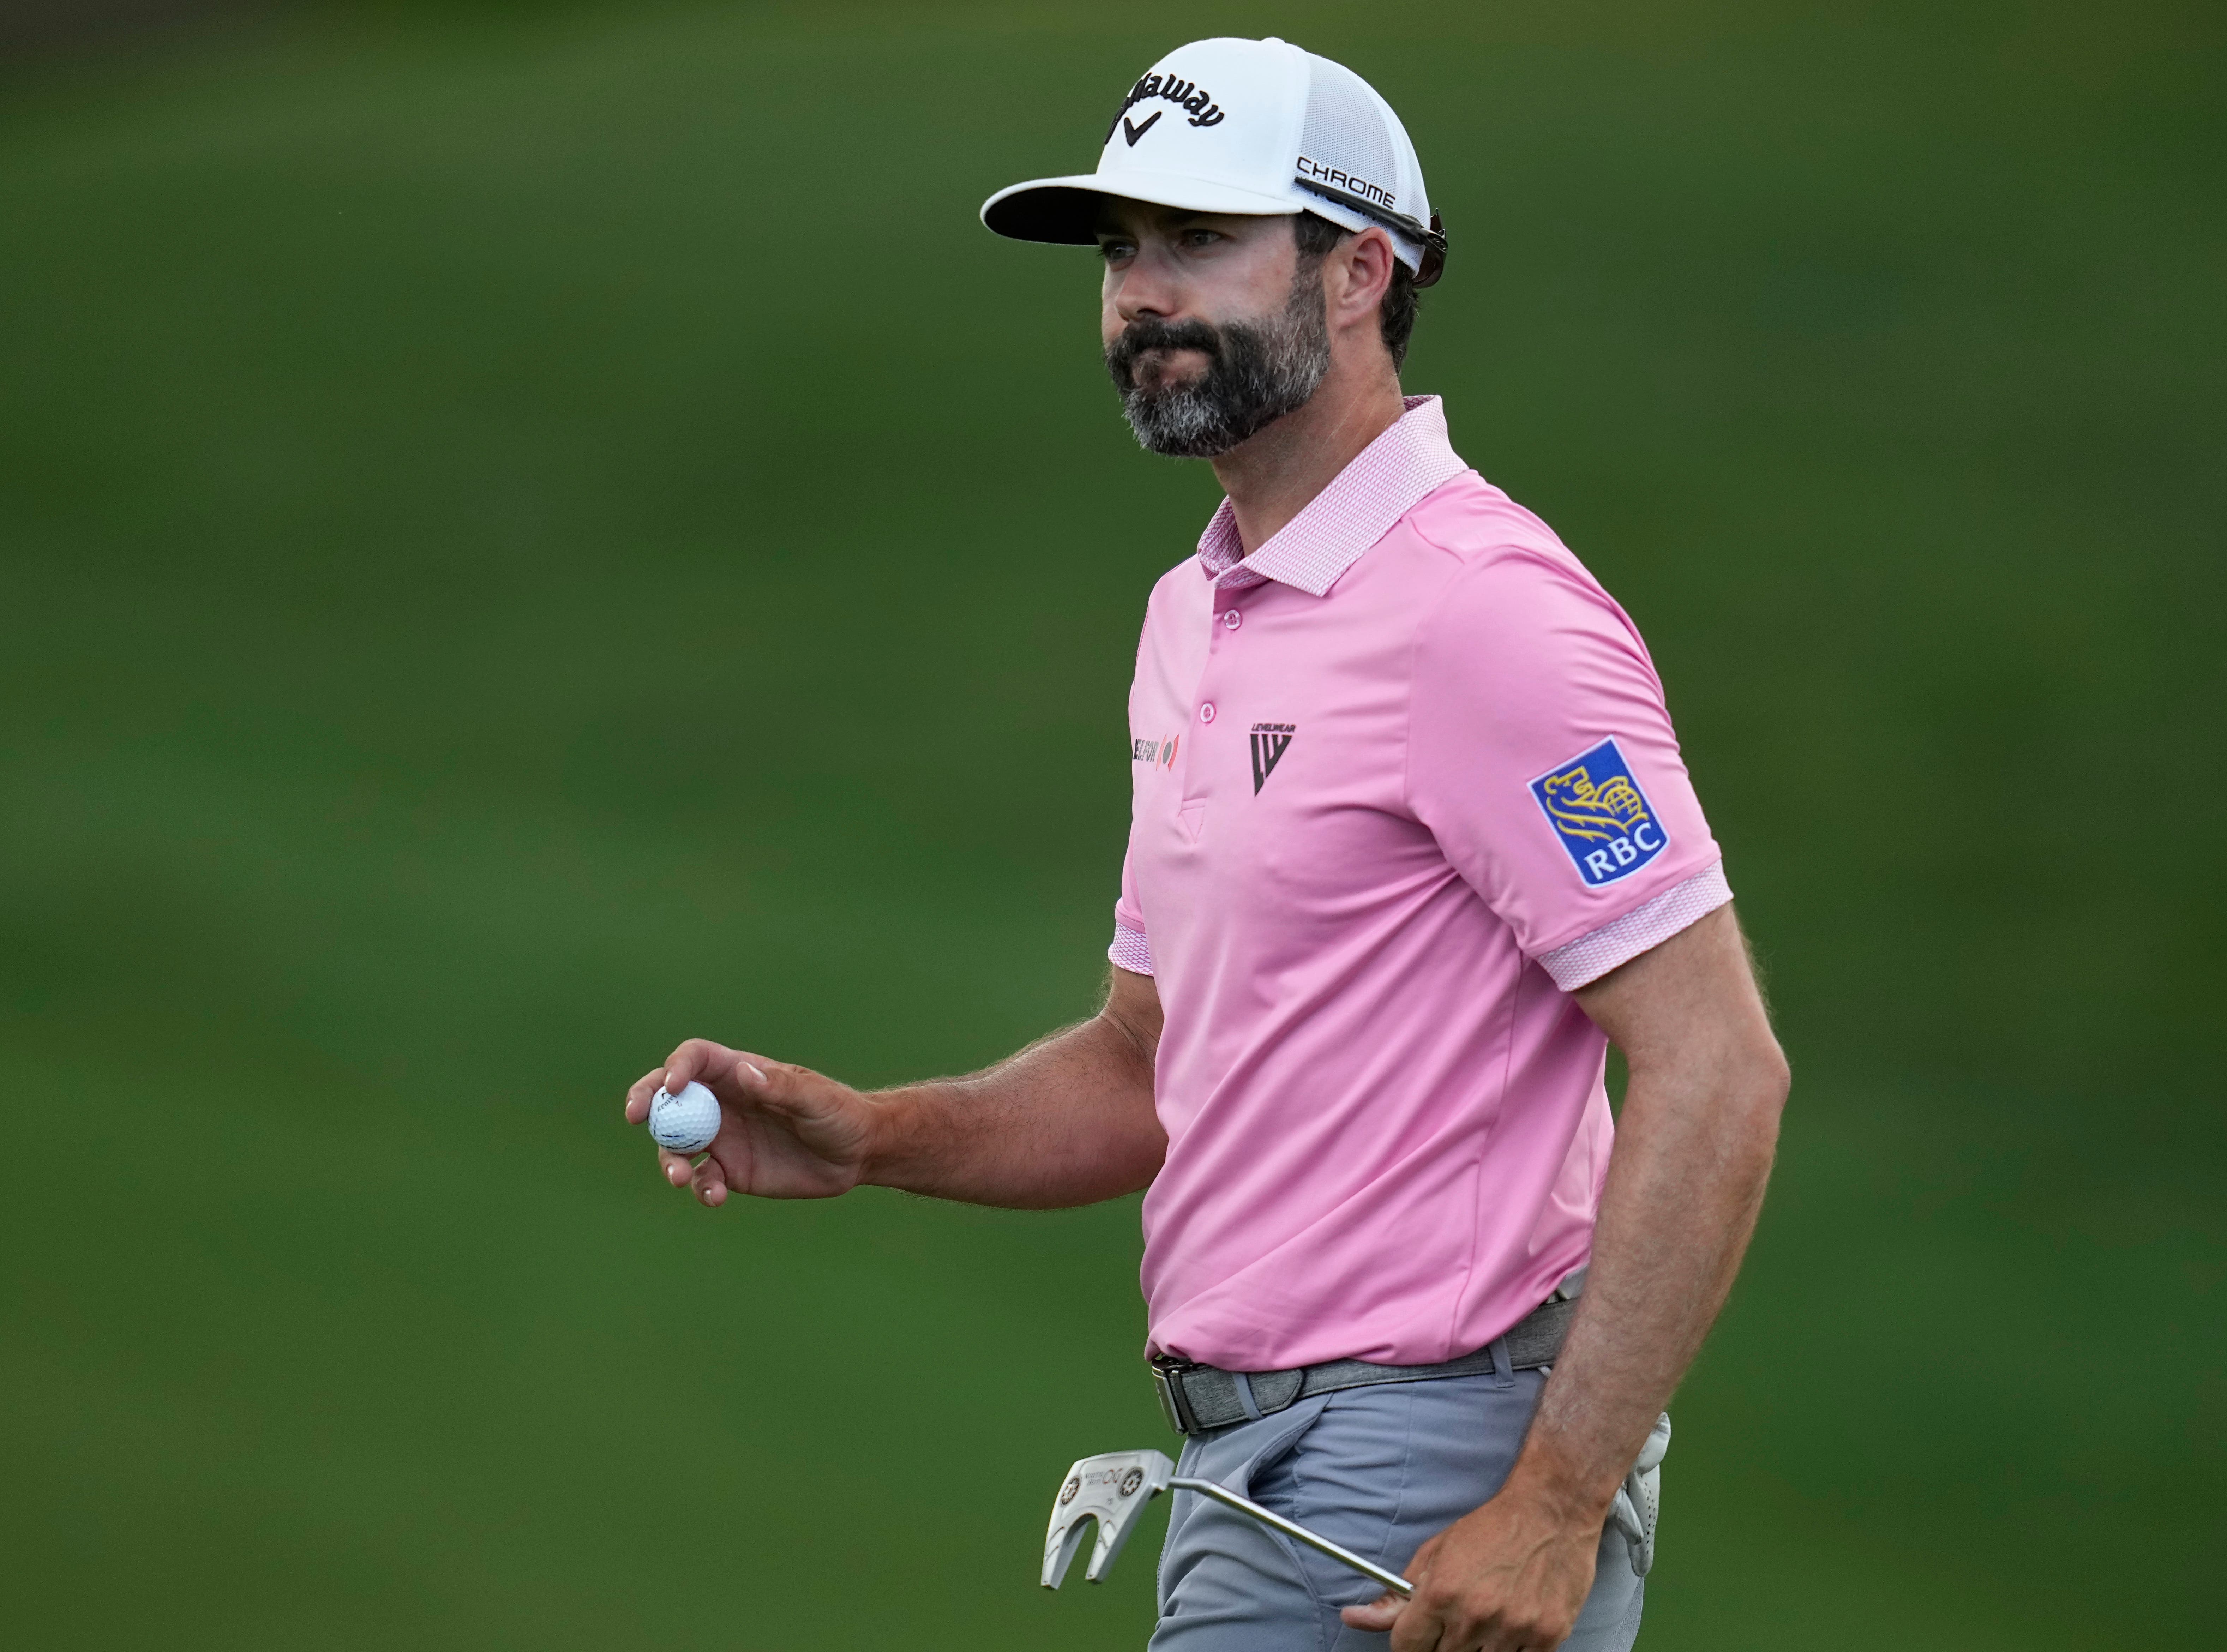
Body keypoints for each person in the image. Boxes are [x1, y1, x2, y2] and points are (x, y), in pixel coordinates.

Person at [621, 35, 1789, 1652]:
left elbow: (1718, 1065)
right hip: (1257, 1464)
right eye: (1118, 251)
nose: (1139, 296)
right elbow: (1143, 1063)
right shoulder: (1196, 614)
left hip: (1426, 1470)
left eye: (1198, 242)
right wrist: (875, 1135)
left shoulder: (1485, 615)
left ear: (1359, 270)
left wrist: (1553, 1505)